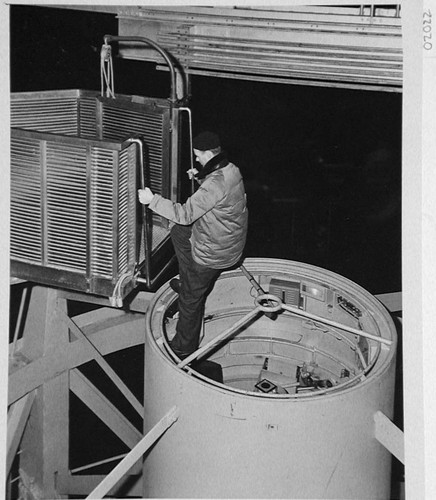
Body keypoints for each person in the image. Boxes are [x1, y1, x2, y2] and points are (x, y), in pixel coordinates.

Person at [138, 131, 248, 359]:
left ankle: (184, 346)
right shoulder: (231, 170)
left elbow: (186, 213)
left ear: (208, 154)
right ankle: (189, 279)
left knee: (190, 300)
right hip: (227, 241)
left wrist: (152, 201)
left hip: (214, 254)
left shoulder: (214, 184)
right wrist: (200, 178)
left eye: (198, 156)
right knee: (179, 233)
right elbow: (217, 193)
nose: (197, 159)